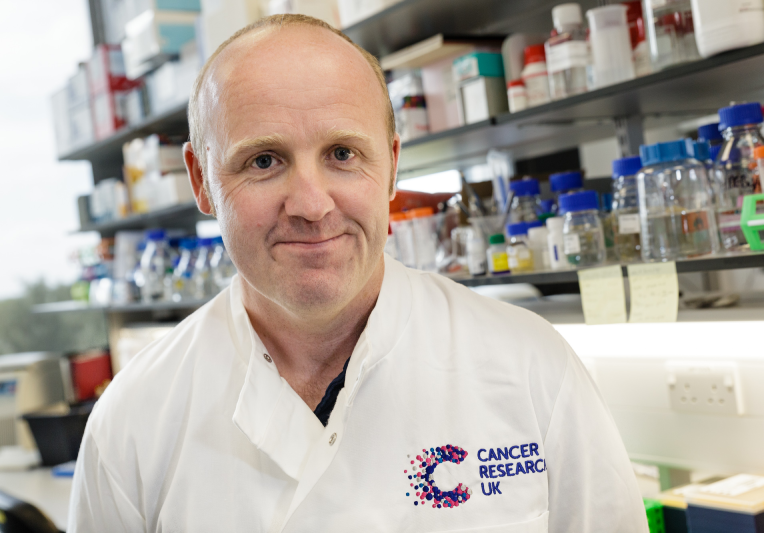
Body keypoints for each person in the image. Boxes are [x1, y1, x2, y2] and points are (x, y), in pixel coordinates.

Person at [68, 14, 648, 533]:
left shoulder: (530, 365)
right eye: (263, 161)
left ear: (392, 165)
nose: (312, 204)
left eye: (343, 153)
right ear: (201, 182)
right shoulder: (134, 421)